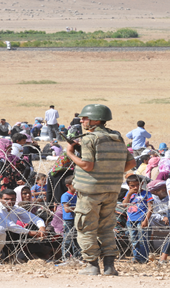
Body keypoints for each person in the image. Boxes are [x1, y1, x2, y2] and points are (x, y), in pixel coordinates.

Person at [66, 104, 136, 275]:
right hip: (112, 190)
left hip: (91, 191)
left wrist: (70, 152)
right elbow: (131, 163)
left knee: (86, 227)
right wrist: (109, 171)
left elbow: (87, 165)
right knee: (106, 227)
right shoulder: (116, 138)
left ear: (96, 120)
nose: (82, 120)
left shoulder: (90, 139)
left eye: (85, 118)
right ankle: (110, 266)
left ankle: (92, 265)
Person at [122, 175, 153, 264]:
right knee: (133, 240)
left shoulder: (147, 193)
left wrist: (146, 220)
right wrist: (129, 194)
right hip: (130, 221)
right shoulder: (129, 193)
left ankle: (143, 258)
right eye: (132, 186)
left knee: (143, 240)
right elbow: (124, 205)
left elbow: (150, 207)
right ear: (128, 186)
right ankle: (136, 257)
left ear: (141, 184)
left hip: (142, 220)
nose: (135, 187)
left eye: (137, 185)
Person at [147, 180, 170, 263]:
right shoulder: (151, 199)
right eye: (163, 189)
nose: (165, 190)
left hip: (167, 221)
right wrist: (162, 217)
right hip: (155, 221)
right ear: (155, 192)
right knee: (147, 220)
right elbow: (150, 213)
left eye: (165, 188)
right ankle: (149, 249)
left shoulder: (168, 197)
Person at [61, 175, 81, 261]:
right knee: (68, 239)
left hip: (76, 219)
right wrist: (79, 208)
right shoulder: (66, 196)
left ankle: (77, 257)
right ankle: (65, 257)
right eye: (74, 185)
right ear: (68, 186)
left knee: (77, 239)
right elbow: (67, 209)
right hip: (69, 220)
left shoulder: (77, 195)